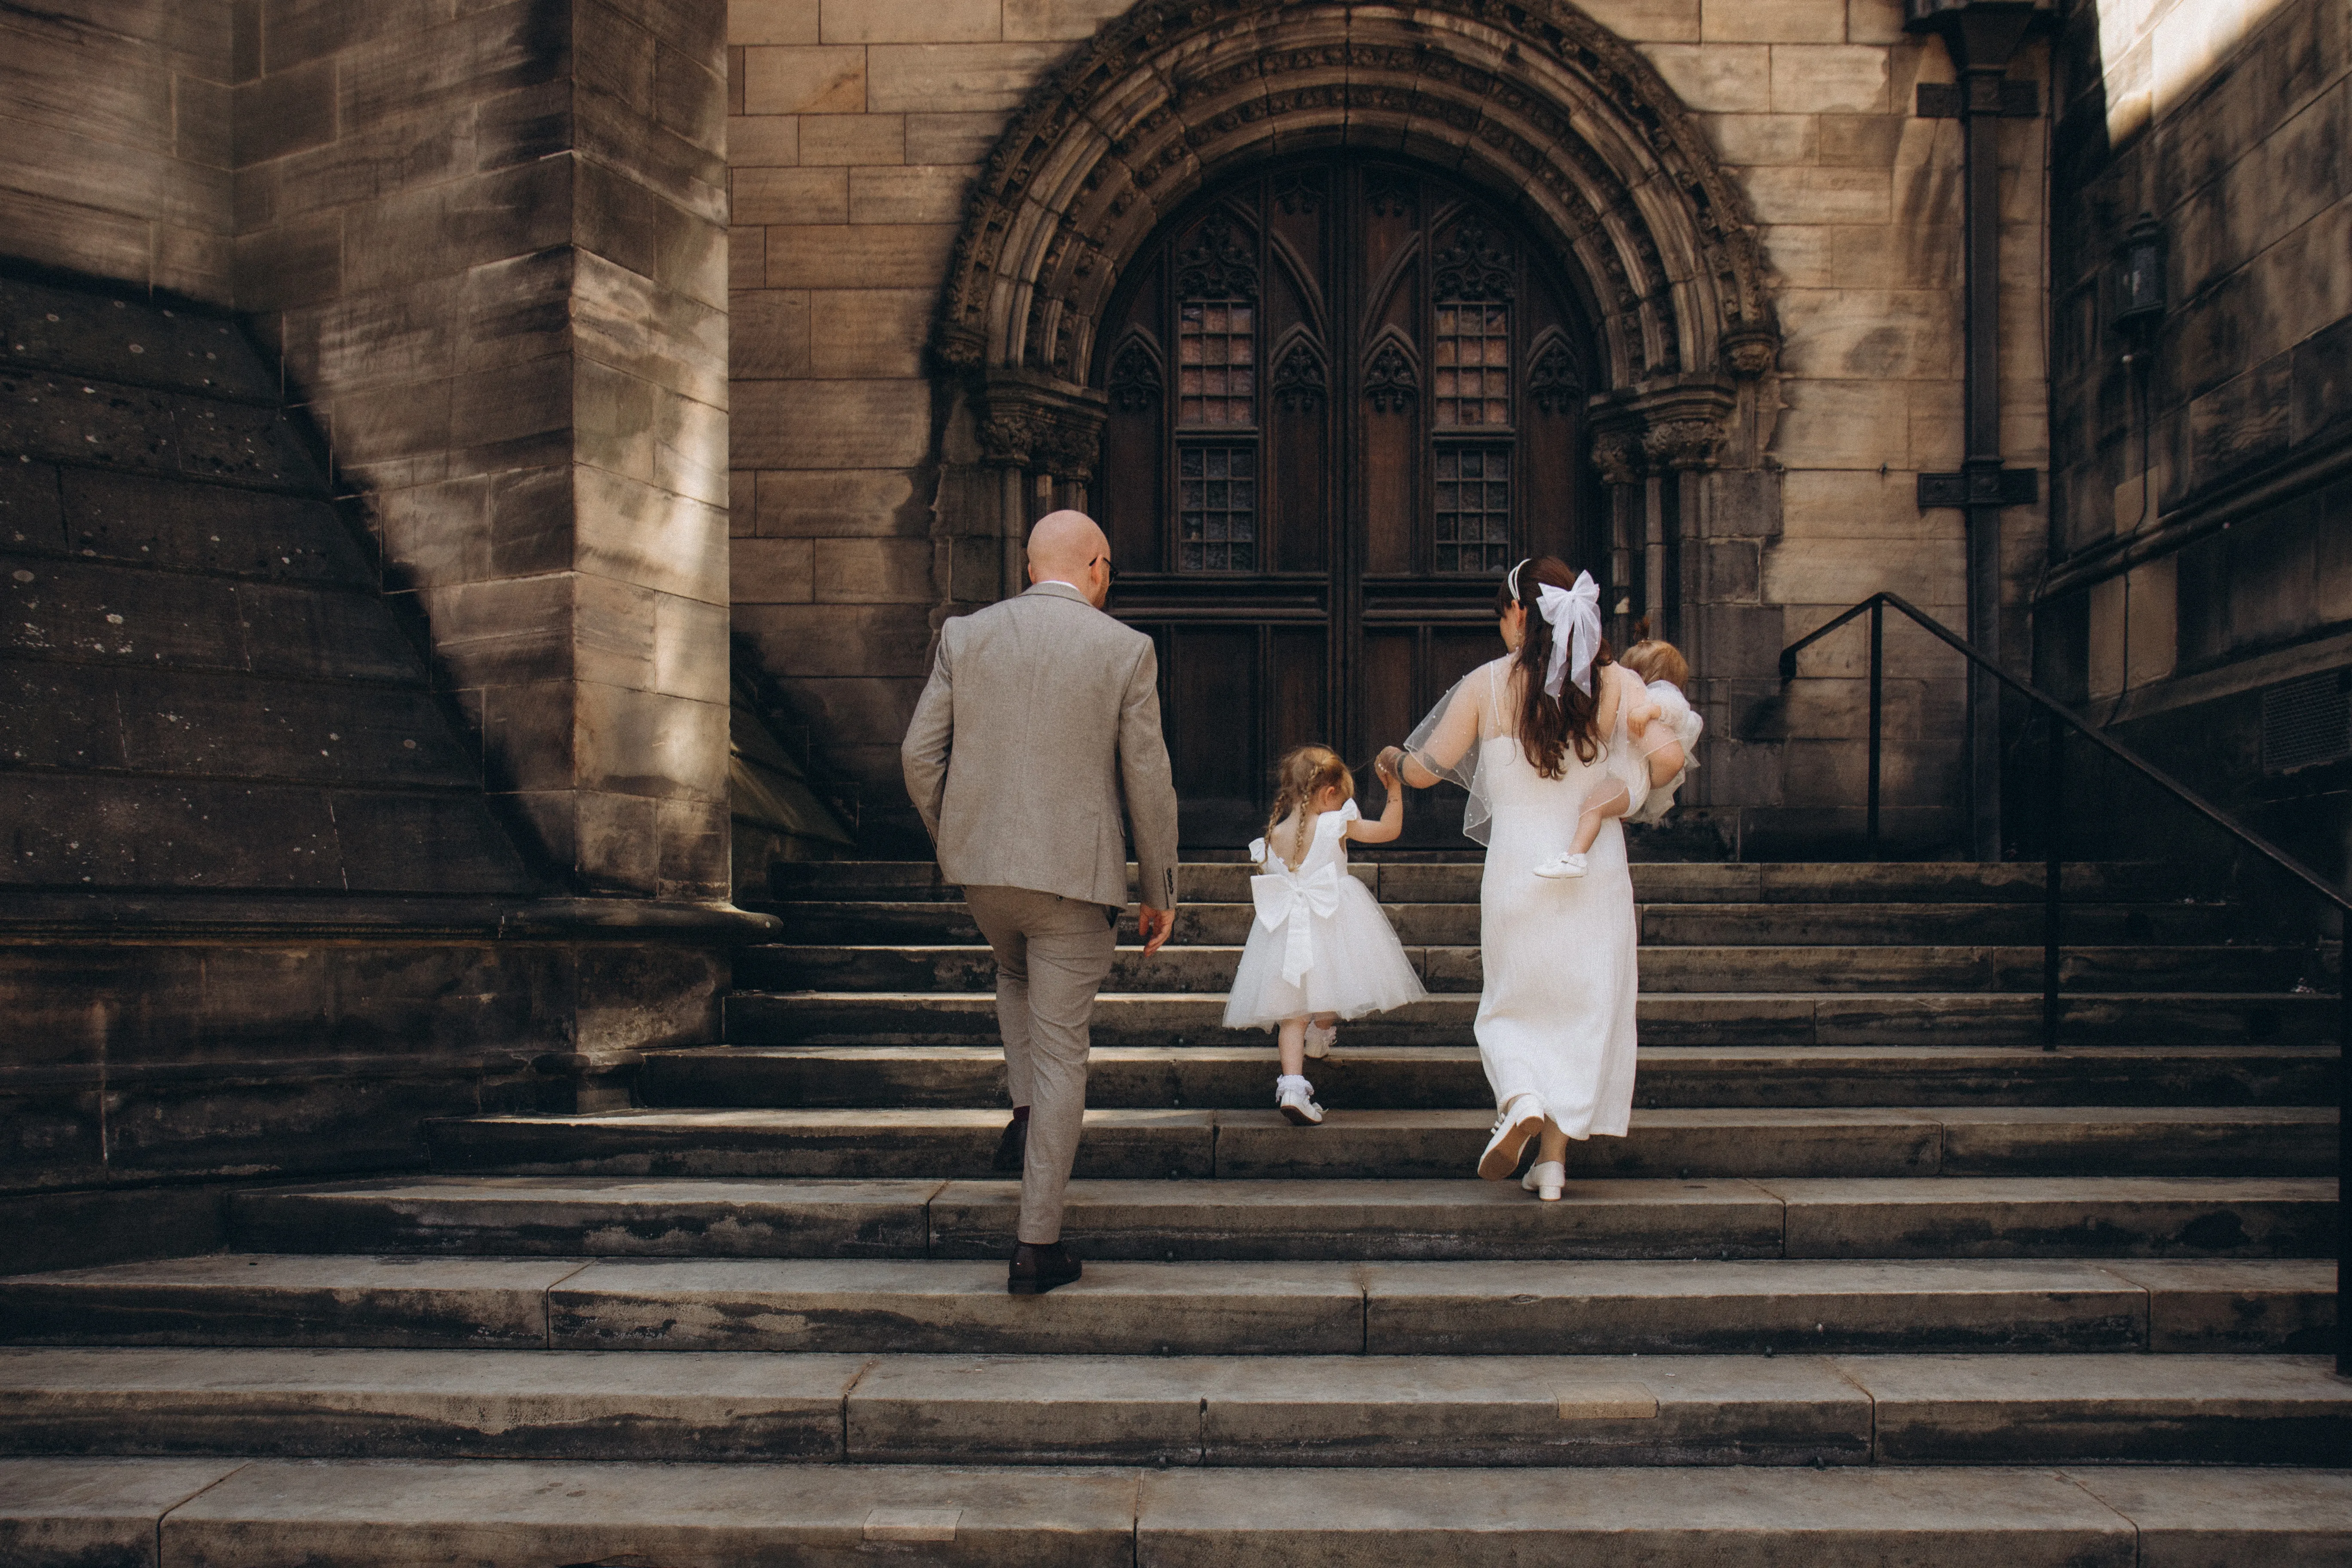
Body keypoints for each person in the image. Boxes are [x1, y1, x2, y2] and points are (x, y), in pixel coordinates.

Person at [900, 510, 1179, 1296]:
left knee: (1013, 974)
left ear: (1029, 568)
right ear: (1095, 564)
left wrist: (957, 836)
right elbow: (1148, 782)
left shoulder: (966, 635)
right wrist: (1159, 888)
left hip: (986, 875)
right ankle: (1036, 1244)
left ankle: (1024, 1116)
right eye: (1109, 567)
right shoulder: (1124, 649)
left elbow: (918, 756)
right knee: (1064, 1053)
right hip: (1072, 880)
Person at [1382, 558, 1645, 1203]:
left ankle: (1521, 1095)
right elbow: (1661, 758)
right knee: (1581, 1012)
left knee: (1512, 1005)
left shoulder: (1487, 685)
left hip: (1517, 872)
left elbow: (1426, 769)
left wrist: (1394, 760)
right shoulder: (1616, 684)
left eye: (1502, 614)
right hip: (1595, 872)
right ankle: (1553, 1162)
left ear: (1521, 614)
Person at [1222, 745, 1426, 1124]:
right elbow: (1390, 830)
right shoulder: (1335, 824)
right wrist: (1394, 788)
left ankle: (1293, 1086)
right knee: (1332, 982)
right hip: (1332, 921)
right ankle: (1321, 1034)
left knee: (1291, 1014)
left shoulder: (1270, 840)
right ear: (1330, 793)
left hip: (1287, 933)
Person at [1530, 623, 1703, 879]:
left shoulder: (1657, 696)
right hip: (1626, 781)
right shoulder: (1641, 698)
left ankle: (1575, 858)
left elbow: (1678, 707)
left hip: (1630, 782)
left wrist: (1650, 711)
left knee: (1593, 807)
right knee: (1595, 807)